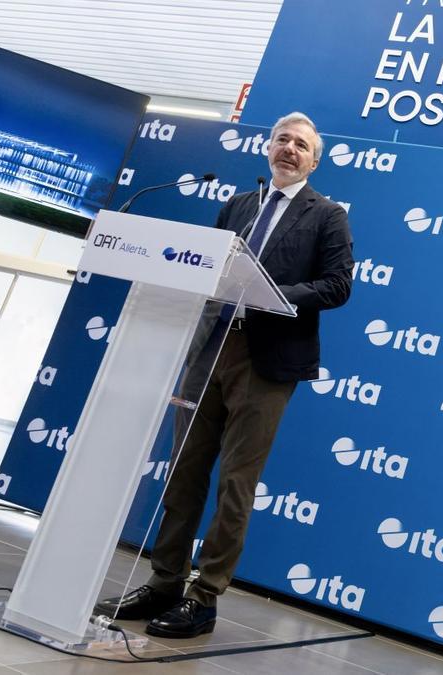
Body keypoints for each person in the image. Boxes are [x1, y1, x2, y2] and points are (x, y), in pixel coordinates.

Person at [97, 112, 354, 638]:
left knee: (237, 484)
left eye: (301, 145)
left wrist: (275, 299)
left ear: (314, 160)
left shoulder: (327, 215)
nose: (289, 149)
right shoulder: (238, 205)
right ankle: (165, 581)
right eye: (282, 139)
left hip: (267, 362)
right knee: (183, 472)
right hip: (210, 350)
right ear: (267, 147)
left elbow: (337, 285)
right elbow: (202, 270)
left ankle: (204, 596)